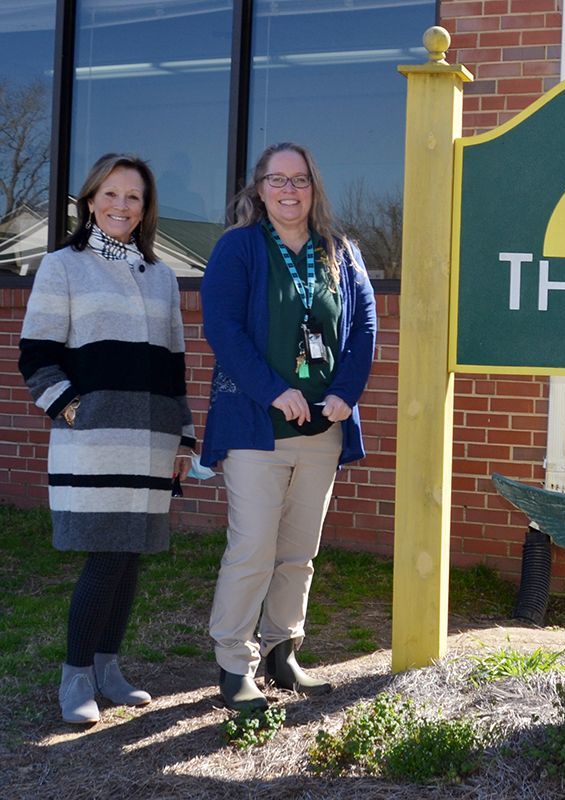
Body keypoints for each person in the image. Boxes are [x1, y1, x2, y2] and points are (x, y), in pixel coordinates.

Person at [19, 154, 195, 724]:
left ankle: (107, 668)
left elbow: (173, 368)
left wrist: (184, 440)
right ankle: (75, 679)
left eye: (134, 198)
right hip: (93, 441)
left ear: (146, 210)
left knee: (131, 557)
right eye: (112, 194)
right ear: (91, 200)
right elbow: (36, 355)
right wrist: (72, 410)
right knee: (107, 555)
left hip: (152, 441)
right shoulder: (62, 266)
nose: (122, 206)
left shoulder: (163, 277)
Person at [201, 143, 376, 711]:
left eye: (299, 179)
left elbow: (365, 324)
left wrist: (345, 393)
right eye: (277, 179)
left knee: (299, 549)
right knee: (253, 545)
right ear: (259, 189)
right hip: (258, 427)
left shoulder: (340, 251)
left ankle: (283, 650)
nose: (289, 190)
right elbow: (224, 329)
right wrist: (275, 389)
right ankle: (234, 662)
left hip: (322, 430)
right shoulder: (239, 248)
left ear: (314, 187)